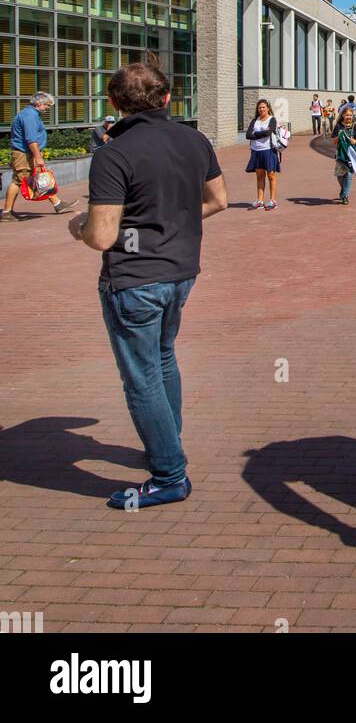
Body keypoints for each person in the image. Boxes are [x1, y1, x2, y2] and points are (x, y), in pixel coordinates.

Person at [67, 59, 227, 509]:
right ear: (167, 98)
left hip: (135, 279)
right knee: (163, 356)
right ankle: (167, 442)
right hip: (180, 273)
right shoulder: (195, 140)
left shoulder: (113, 154)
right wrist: (169, 222)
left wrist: (79, 226)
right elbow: (219, 200)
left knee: (141, 378)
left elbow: (102, 236)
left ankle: (168, 474)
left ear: (114, 103)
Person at [2, 92, 74, 221]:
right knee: (19, 180)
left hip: (26, 152)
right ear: (38, 103)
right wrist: (38, 156)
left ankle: (58, 204)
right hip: (23, 153)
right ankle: (6, 212)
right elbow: (31, 139)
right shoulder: (30, 115)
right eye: (47, 105)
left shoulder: (30, 114)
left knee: (38, 178)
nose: (48, 108)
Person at [245, 98, 281, 211]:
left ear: (268, 108)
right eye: (260, 108)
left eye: (263, 107)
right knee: (260, 176)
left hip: (269, 150)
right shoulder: (255, 120)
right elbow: (248, 135)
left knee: (271, 175)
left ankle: (272, 201)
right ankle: (260, 201)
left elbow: (269, 132)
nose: (261, 109)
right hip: (256, 151)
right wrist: (261, 134)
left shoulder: (272, 119)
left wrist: (255, 134)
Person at [334, 105, 356, 204]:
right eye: (347, 115)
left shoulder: (355, 126)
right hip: (340, 154)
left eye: (350, 115)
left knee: (348, 175)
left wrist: (354, 141)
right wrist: (339, 135)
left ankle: (345, 196)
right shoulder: (338, 126)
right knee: (339, 175)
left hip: (351, 155)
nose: (349, 117)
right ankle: (344, 190)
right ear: (343, 115)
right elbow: (334, 141)